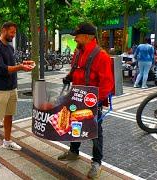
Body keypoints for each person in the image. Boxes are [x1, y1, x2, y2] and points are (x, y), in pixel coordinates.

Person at [58, 22, 114, 179]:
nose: (75, 38)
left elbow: (107, 84)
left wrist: (95, 102)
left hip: (92, 101)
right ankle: (73, 152)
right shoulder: (78, 52)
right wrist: (69, 77)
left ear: (87, 37)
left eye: (77, 36)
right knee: (75, 125)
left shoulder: (101, 56)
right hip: (76, 96)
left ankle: (97, 162)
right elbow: (75, 69)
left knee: (95, 131)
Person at [0, 22, 34, 156]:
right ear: (4, 30)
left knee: (9, 115)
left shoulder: (10, 47)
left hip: (12, 87)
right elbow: (0, 68)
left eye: (14, 32)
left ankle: (7, 141)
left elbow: (11, 65)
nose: (13, 35)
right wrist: (20, 67)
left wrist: (23, 64)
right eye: (11, 32)